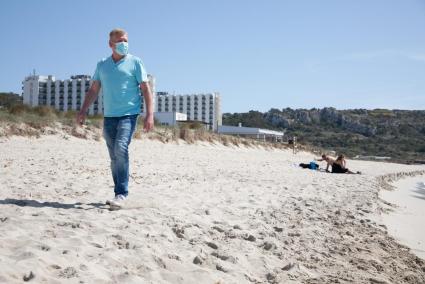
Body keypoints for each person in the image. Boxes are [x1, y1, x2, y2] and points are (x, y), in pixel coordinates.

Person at [76, 28, 154, 208]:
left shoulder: (135, 62)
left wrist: (149, 114)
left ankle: (121, 193)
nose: (124, 44)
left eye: (126, 41)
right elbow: (94, 89)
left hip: (129, 115)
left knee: (120, 148)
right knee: (113, 157)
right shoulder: (102, 65)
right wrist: (83, 110)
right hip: (109, 116)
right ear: (111, 44)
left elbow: (145, 88)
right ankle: (118, 192)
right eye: (120, 41)